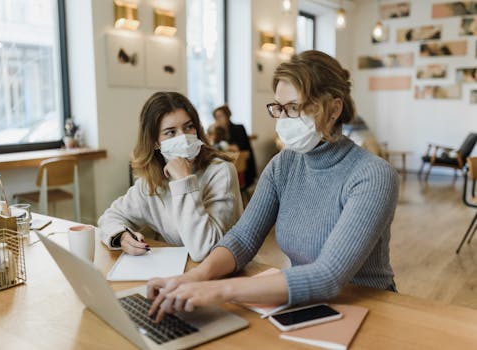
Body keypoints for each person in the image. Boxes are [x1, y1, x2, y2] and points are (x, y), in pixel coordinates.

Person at [146, 50, 400, 322]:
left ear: (334, 109)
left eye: (294, 108)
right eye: (278, 108)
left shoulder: (373, 174)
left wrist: (220, 289)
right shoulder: (284, 165)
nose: (283, 119)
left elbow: (329, 275)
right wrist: (193, 278)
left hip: (369, 309)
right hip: (307, 304)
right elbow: (243, 238)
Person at [98, 92, 243, 262]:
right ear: (155, 142)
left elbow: (205, 250)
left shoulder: (220, 171)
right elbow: (110, 217)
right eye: (170, 132)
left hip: (220, 274)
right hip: (177, 271)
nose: (183, 137)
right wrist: (122, 237)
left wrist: (184, 180)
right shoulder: (151, 182)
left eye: (188, 127)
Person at [212, 105, 257, 189]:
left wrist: (224, 147)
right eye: (216, 117)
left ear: (227, 116)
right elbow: (215, 148)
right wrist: (215, 132)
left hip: (243, 168)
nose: (218, 119)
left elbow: (237, 148)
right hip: (228, 167)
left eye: (220, 116)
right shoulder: (219, 133)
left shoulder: (239, 128)